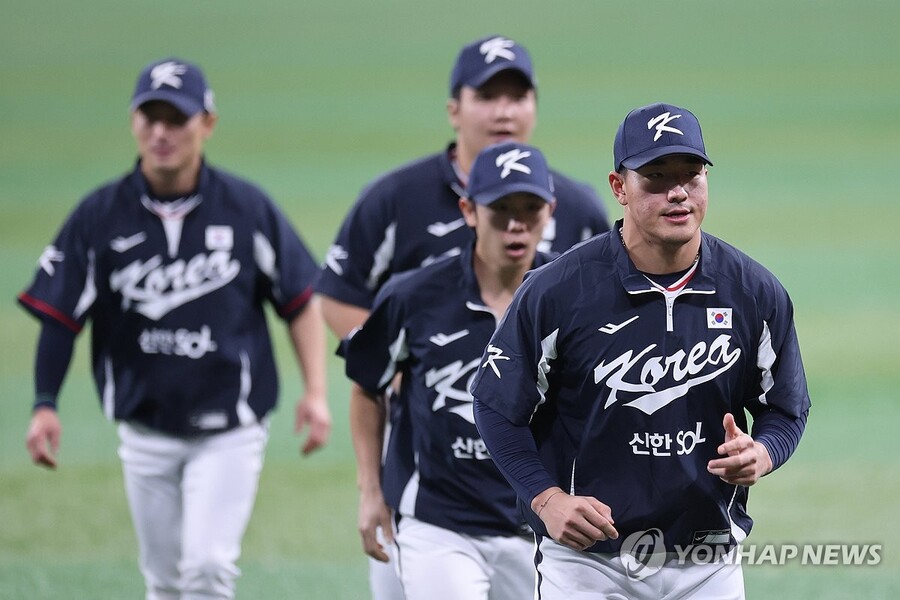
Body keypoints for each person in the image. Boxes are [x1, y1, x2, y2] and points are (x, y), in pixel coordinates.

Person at [18, 57, 331, 600]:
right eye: (150, 117)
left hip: (231, 429)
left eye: (177, 119)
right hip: (145, 430)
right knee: (163, 582)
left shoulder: (245, 209)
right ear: (134, 122)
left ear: (207, 123)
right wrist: (45, 402)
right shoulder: (99, 216)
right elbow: (60, 314)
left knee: (208, 569)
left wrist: (317, 393)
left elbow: (299, 299)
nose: (162, 133)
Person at [470, 102, 811, 599]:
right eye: (655, 177)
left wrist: (762, 453)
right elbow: (496, 406)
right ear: (618, 187)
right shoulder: (557, 292)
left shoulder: (752, 293)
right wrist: (545, 499)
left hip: (708, 562)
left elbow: (786, 408)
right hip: (589, 563)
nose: (677, 192)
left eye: (691, 175)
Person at [317, 34, 610, 599]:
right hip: (432, 485)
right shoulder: (397, 206)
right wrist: (407, 365)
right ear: (455, 107)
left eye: (517, 96)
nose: (504, 111)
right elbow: (342, 305)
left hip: (539, 502)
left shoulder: (577, 214)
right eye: (487, 96)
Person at [342, 141, 557, 599]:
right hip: (439, 525)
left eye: (530, 208)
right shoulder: (413, 296)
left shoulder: (568, 299)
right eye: (500, 209)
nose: (516, 224)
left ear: (550, 211)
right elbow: (366, 387)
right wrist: (370, 490)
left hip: (539, 524)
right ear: (469, 210)